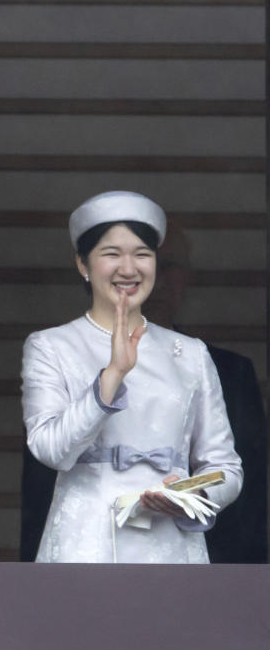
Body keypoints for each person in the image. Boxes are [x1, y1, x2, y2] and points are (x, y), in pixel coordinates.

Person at [21, 191, 242, 563]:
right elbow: (50, 449)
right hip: (84, 544)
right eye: (111, 254)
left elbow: (225, 467)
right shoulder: (51, 346)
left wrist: (192, 494)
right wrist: (112, 375)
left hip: (172, 547)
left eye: (142, 254)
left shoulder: (191, 353)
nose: (129, 268)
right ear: (82, 264)